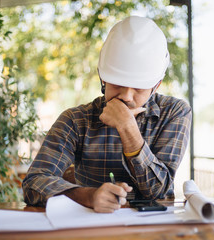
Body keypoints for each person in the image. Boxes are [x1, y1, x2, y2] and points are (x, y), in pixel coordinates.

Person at [22, 16, 192, 213]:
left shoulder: (174, 112)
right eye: (117, 83)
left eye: (139, 88)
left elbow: (158, 192)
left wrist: (128, 128)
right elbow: (33, 183)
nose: (127, 96)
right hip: (93, 227)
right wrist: (88, 196)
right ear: (102, 77)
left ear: (156, 85)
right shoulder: (76, 120)